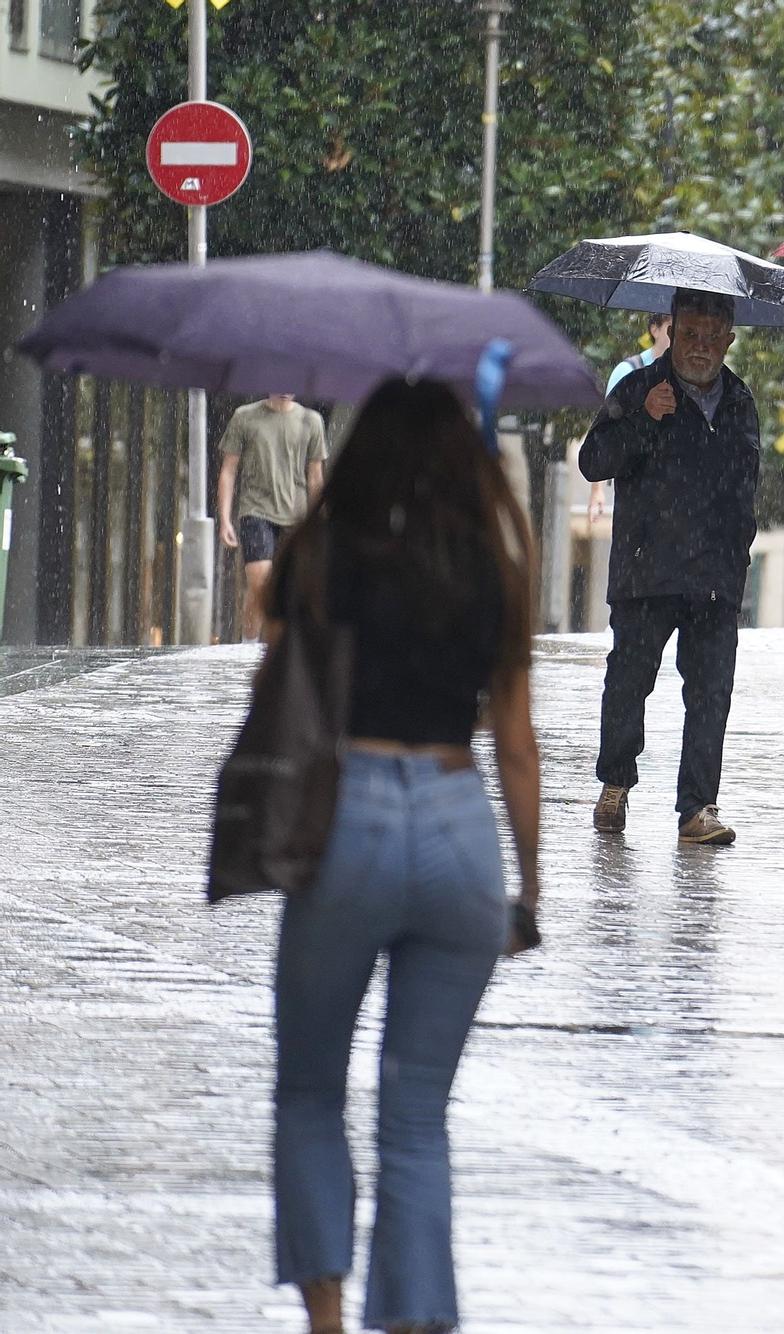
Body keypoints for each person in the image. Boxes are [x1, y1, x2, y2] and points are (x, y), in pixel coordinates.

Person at [263, 379, 540, 1334]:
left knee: (309, 1089)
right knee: (416, 1110)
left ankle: (329, 1323)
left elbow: (282, 674)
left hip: (354, 819)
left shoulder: (324, 556)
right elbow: (516, 742)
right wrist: (528, 889)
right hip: (462, 829)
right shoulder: (494, 569)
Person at [581, 288, 757, 844]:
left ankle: (697, 809)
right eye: (690, 335)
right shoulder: (637, 389)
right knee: (629, 684)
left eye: (712, 337)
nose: (701, 347)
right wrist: (643, 420)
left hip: (713, 577)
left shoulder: (740, 402)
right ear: (670, 333)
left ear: (729, 339)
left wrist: (734, 561)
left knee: (711, 694)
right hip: (645, 570)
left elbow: (745, 488)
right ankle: (615, 784)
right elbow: (594, 462)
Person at [218, 393, 328, 641]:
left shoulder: (311, 421)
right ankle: (249, 645)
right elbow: (228, 470)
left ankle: (283, 646)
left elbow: (315, 477)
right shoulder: (245, 417)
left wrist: (319, 521)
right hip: (256, 510)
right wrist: (224, 518)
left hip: (297, 515)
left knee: (294, 586)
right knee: (260, 582)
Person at [588, 311, 673, 527]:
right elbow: (604, 431)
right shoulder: (629, 372)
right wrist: (597, 491)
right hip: (635, 483)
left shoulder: (687, 378)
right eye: (670, 328)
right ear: (654, 329)